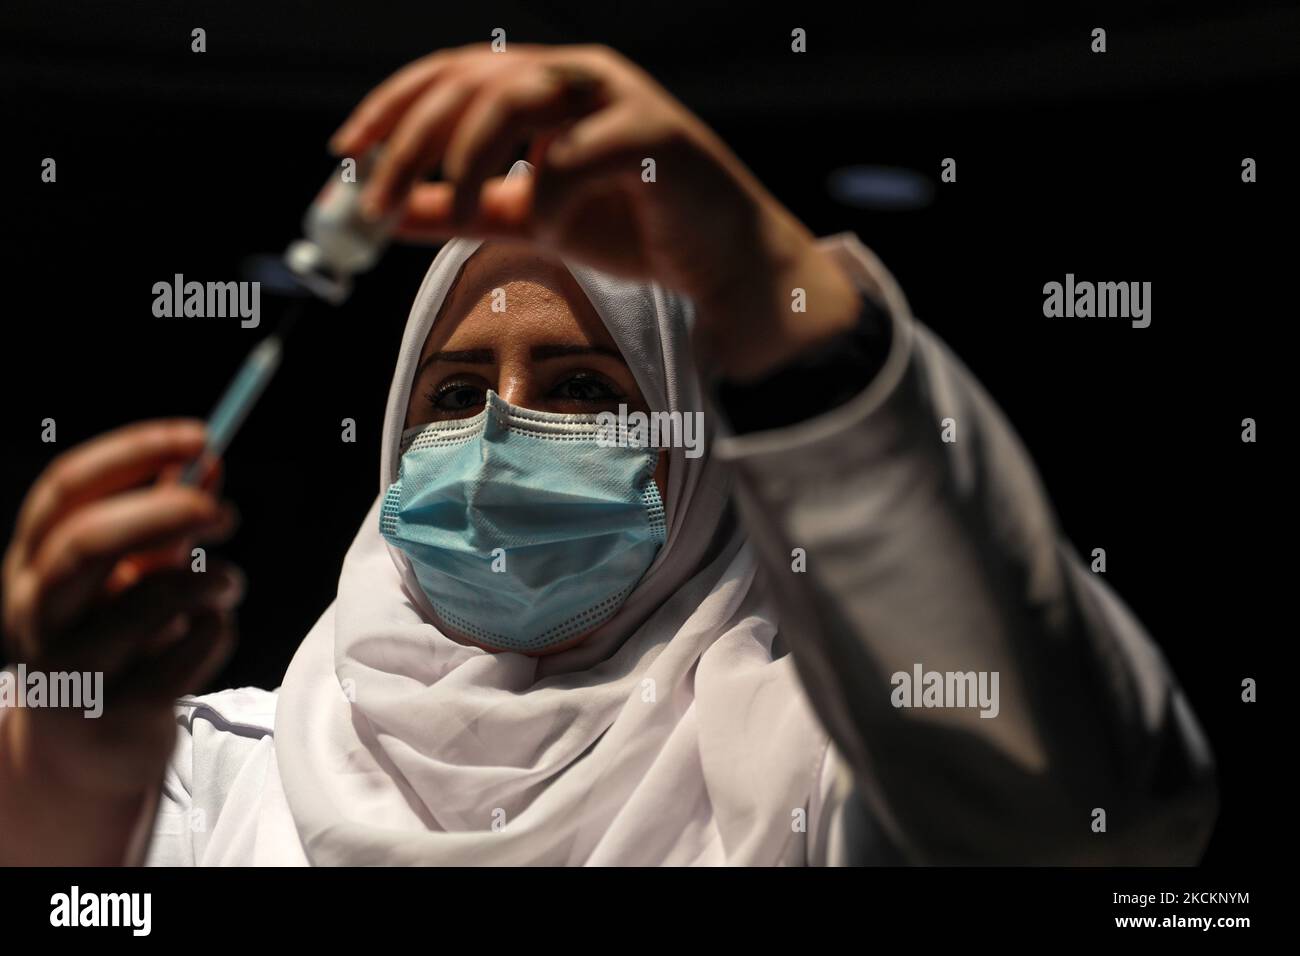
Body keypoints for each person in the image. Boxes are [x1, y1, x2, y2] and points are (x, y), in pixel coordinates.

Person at [0, 43, 1216, 865]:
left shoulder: (807, 777)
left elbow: (1081, 826)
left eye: (582, 387)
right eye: (455, 389)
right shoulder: (208, 771)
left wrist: (770, 282)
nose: (493, 435)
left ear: (696, 462)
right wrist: (62, 764)